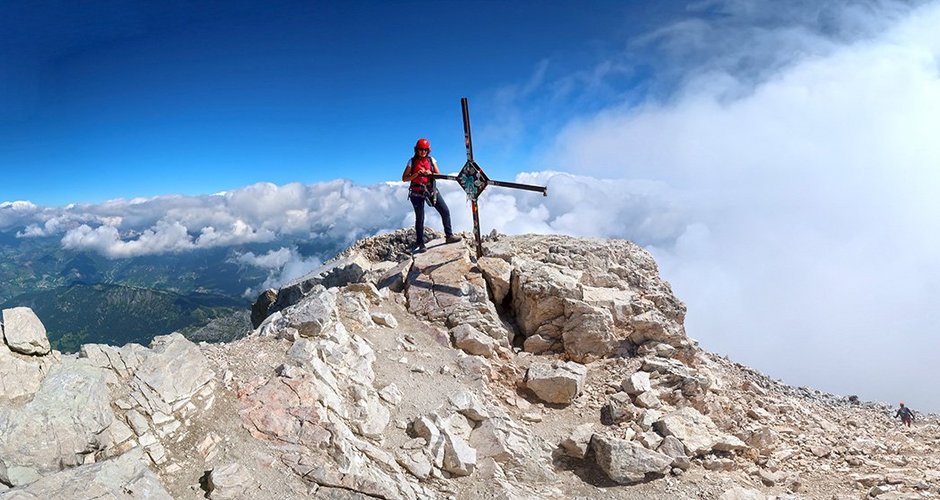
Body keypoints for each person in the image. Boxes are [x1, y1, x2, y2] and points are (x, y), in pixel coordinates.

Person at [401, 138, 461, 253]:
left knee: (445, 211)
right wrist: (415, 175)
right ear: (416, 150)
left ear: (428, 150)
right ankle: (420, 242)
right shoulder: (411, 161)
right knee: (420, 218)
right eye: (420, 149)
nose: (422, 152)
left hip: (430, 189)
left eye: (425, 150)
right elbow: (404, 178)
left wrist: (431, 174)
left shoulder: (431, 160)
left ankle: (449, 235)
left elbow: (438, 174)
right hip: (416, 192)